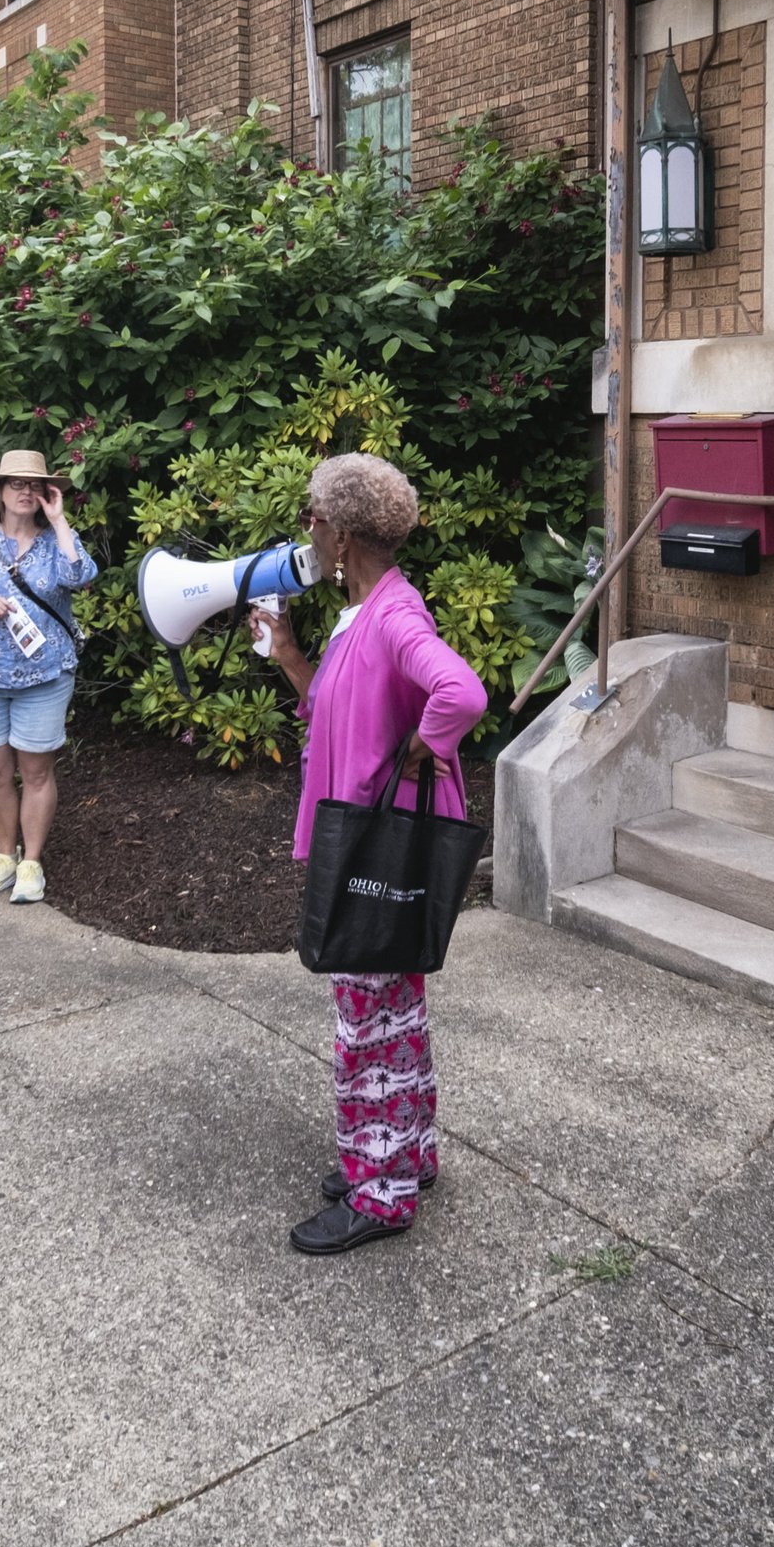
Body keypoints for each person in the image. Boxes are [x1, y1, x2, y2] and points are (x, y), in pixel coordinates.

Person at [248, 453, 486, 1257]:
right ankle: (408, 1158)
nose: (306, 529)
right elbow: (335, 708)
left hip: (371, 854)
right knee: (395, 1009)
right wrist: (287, 653)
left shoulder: (391, 617)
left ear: (342, 535)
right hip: (367, 847)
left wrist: (422, 747)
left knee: (365, 1025)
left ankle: (378, 1193)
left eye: (314, 518)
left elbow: (463, 690)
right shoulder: (368, 612)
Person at [0, 450, 97, 904]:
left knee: (36, 770)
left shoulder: (57, 543)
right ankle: (4, 856)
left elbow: (81, 575)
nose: (26, 492)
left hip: (45, 675)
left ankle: (32, 862)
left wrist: (60, 518)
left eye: (35, 486)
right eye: (17, 485)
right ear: (0, 493)